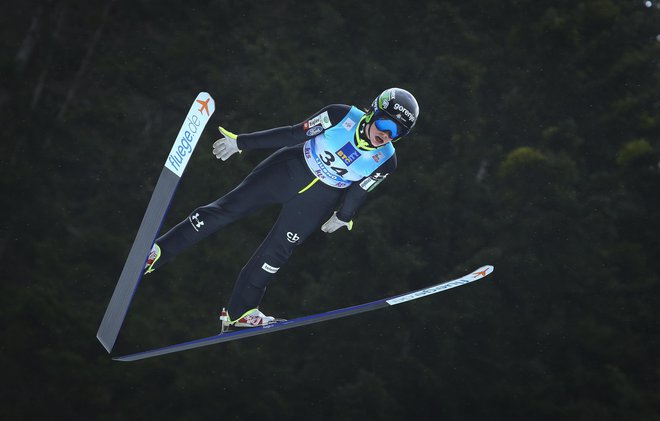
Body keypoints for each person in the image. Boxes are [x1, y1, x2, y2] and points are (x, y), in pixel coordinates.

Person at [143, 87, 420, 330]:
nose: (385, 135)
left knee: (277, 253)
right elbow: (292, 133)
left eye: (396, 133)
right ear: (372, 112)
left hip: (318, 199)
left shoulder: (386, 161)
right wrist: (242, 142)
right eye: (385, 124)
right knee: (227, 210)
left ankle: (241, 313)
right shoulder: (341, 116)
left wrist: (343, 215)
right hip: (288, 169)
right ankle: (158, 252)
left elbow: (360, 189)